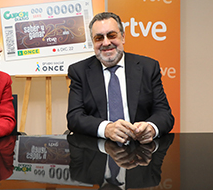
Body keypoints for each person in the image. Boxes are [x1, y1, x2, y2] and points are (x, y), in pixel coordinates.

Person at [66, 12, 174, 144]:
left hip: (141, 151)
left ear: (122, 37)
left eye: (112, 35)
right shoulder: (79, 71)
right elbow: (74, 118)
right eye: (99, 38)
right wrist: (106, 129)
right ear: (93, 42)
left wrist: (151, 128)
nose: (106, 43)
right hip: (97, 152)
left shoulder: (148, 67)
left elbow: (164, 113)